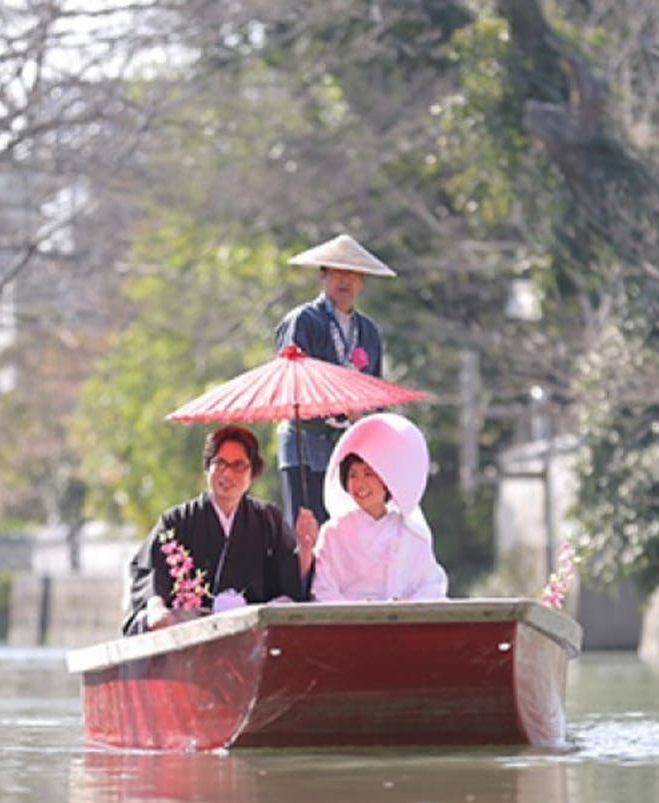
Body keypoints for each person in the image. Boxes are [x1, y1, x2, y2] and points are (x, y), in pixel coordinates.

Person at [122, 425, 311, 634]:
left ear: (252, 473)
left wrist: (305, 547)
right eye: (220, 463)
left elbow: (289, 582)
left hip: (252, 633)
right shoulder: (177, 521)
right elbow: (150, 569)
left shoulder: (268, 519)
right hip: (194, 634)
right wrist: (156, 607)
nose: (227, 473)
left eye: (238, 465)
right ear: (207, 468)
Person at [274, 233, 396, 527]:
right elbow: (292, 381)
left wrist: (369, 426)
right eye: (337, 273)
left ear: (362, 281)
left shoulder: (369, 331)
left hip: (350, 447)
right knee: (307, 528)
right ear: (323, 276)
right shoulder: (304, 321)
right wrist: (339, 405)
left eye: (353, 274)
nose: (345, 281)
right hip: (305, 441)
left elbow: (376, 391)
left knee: (349, 529)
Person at [303, 412, 448, 602]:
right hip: (348, 619)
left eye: (368, 473)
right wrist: (359, 610)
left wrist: (410, 603)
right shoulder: (333, 532)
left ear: (387, 478)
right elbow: (323, 591)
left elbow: (433, 586)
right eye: (353, 475)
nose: (359, 483)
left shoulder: (409, 532)